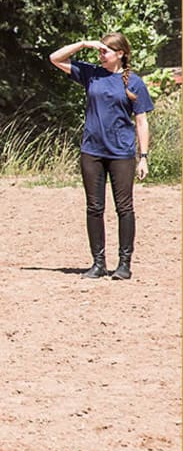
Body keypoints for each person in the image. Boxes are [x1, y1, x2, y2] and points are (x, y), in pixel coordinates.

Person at [49, 32, 154, 280]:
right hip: (92, 151)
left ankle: (124, 264)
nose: (101, 54)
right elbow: (54, 58)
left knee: (124, 208)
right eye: (100, 50)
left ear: (121, 54)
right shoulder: (91, 73)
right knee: (94, 208)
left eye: (106, 50)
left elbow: (142, 122)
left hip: (121, 152)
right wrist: (83, 43)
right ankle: (98, 263)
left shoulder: (134, 83)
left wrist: (144, 156)